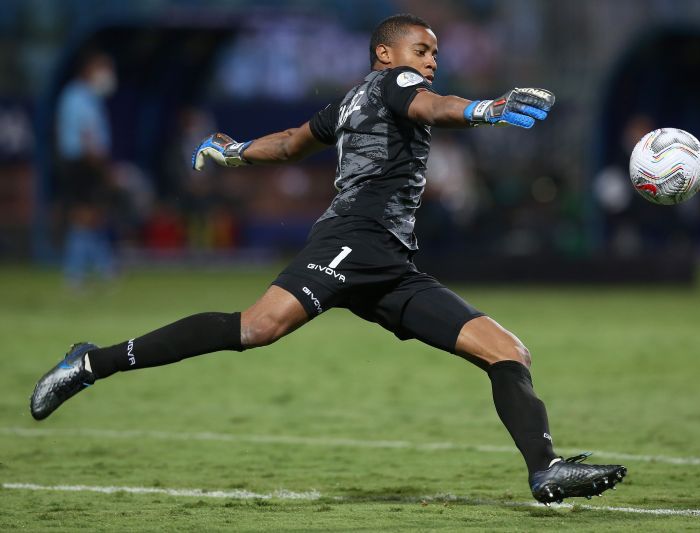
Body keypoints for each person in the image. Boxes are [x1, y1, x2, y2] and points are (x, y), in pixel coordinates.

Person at [30, 14, 625, 505]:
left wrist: (235, 150)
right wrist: (486, 108)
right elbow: (433, 106)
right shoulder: (396, 85)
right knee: (256, 328)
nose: (431, 60)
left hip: (390, 264)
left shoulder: (350, 102)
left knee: (508, 351)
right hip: (353, 237)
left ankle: (544, 469)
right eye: (422, 50)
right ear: (384, 54)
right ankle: (90, 364)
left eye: (435, 52)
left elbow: (291, 142)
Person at [54, 51, 118, 287]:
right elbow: (87, 137)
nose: (109, 75)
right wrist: (104, 168)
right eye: (105, 68)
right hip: (82, 163)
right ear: (90, 70)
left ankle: (102, 268)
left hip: (87, 162)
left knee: (95, 217)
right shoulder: (76, 97)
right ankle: (76, 274)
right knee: (83, 217)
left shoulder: (89, 97)